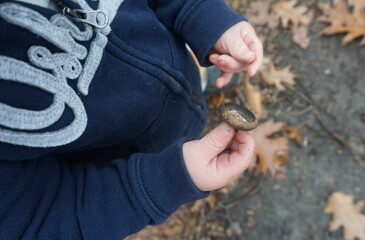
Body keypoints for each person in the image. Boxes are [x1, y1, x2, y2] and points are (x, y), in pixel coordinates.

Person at [0, 0, 263, 239]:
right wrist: (163, 182)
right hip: (130, 153)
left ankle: (196, 80)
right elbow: (38, 216)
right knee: (176, 112)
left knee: (184, 80)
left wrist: (206, 18)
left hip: (161, 49)